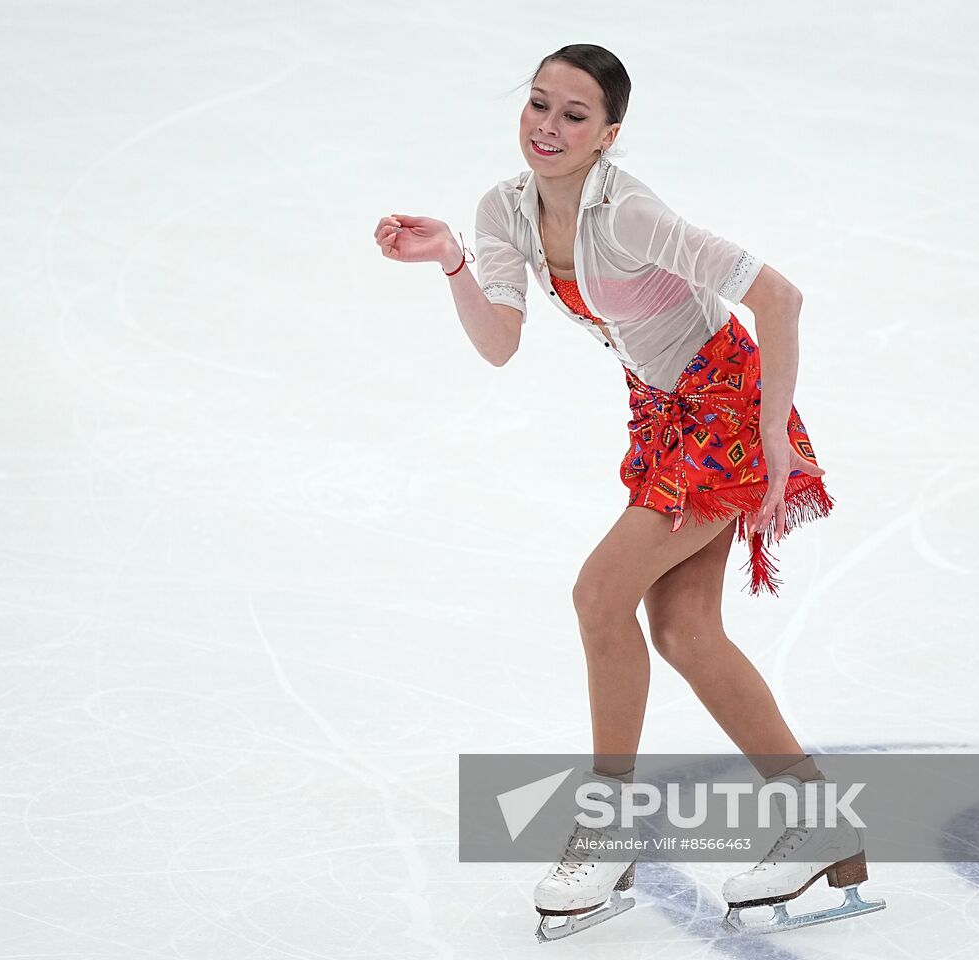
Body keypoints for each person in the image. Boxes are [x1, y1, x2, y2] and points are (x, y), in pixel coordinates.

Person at [372, 44, 882, 941]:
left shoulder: (632, 213)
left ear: (608, 135)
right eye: (538, 104)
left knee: (599, 594)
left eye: (575, 115)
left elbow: (782, 298)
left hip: (723, 407)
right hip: (661, 414)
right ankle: (819, 820)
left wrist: (770, 440)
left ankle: (608, 832)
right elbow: (499, 342)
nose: (548, 126)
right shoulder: (505, 211)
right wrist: (453, 259)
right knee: (684, 631)